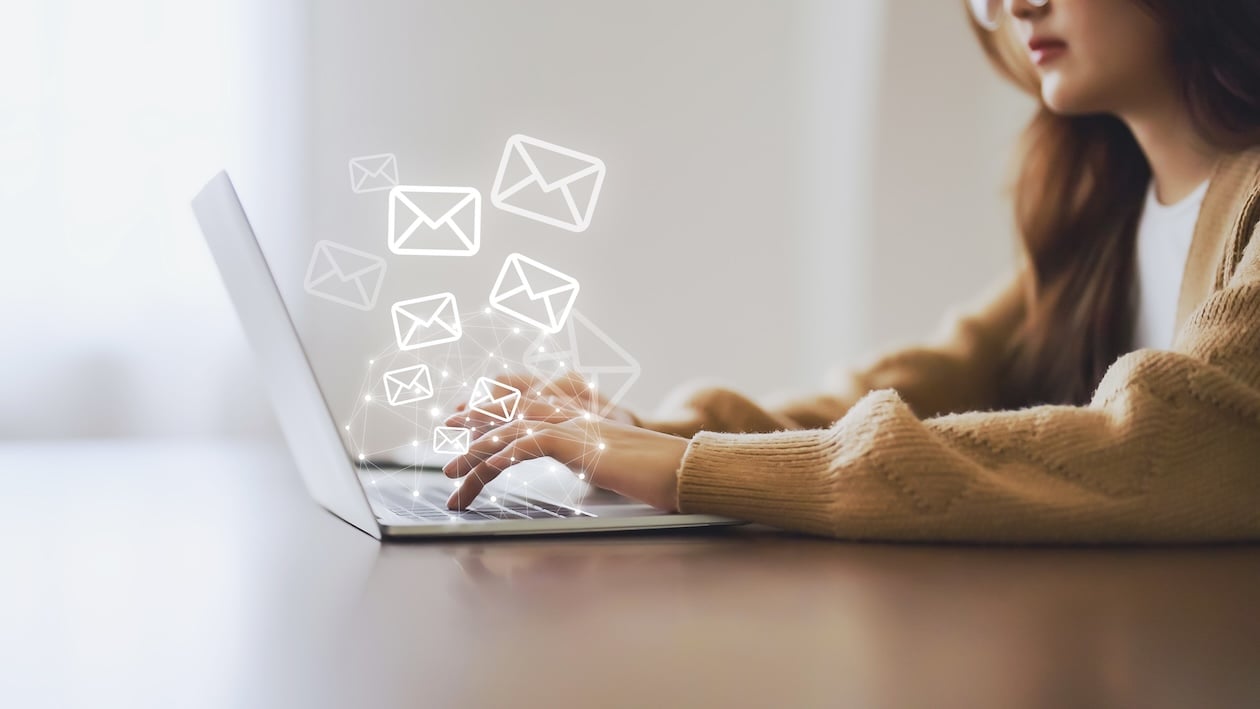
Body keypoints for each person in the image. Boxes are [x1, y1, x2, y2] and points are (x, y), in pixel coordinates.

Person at [444, 0, 1260, 543]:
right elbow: (926, 383)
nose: (1016, 5)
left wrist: (691, 470)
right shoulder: (1103, 221)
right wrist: (653, 434)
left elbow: (1172, 447)